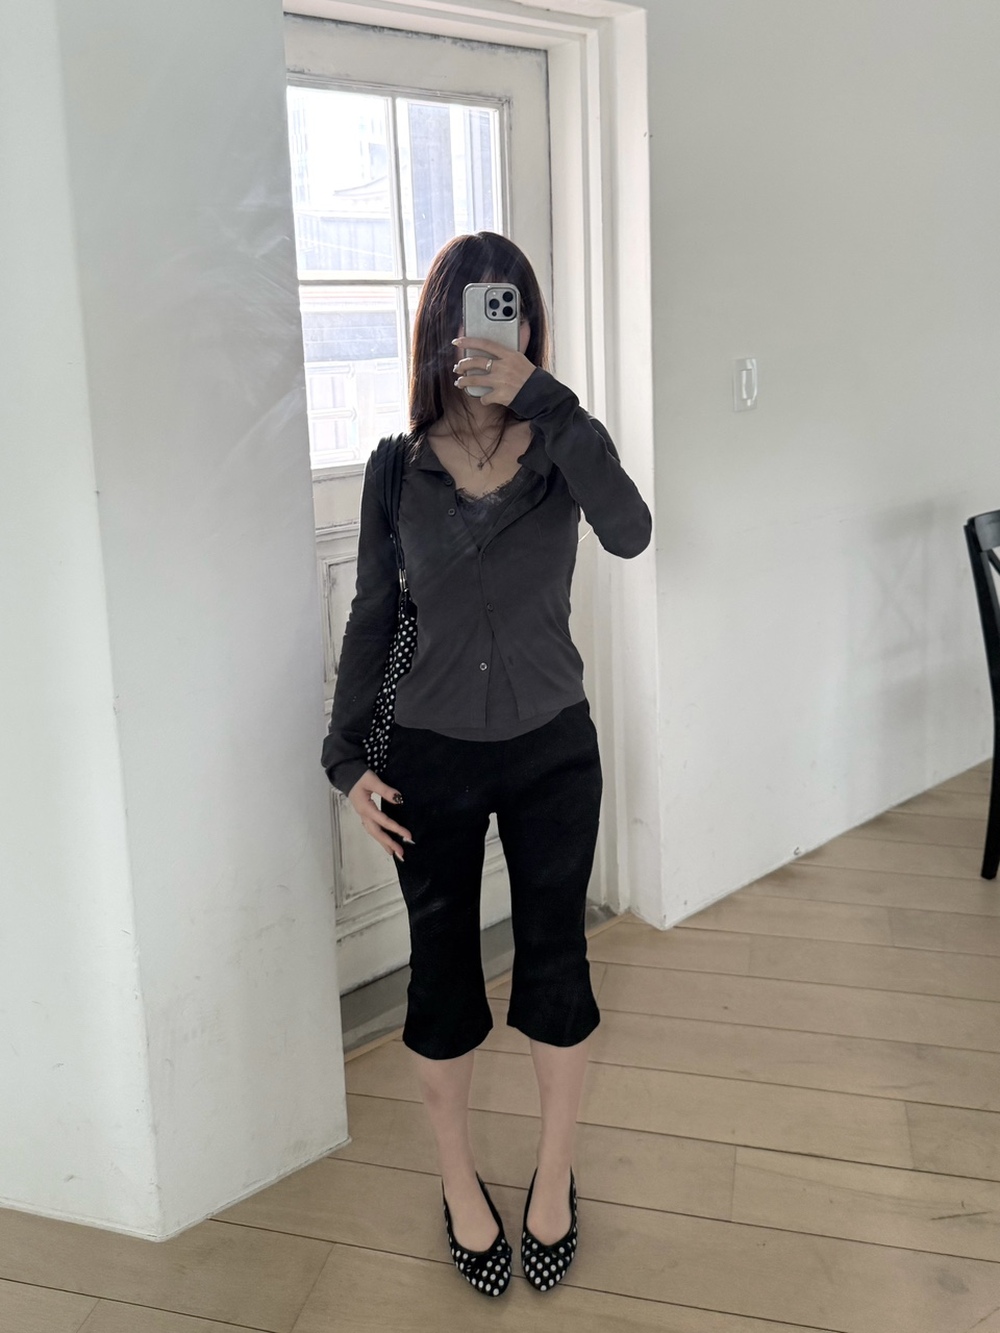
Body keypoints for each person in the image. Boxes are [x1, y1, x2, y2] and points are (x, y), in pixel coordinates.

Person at [321, 231, 652, 1297]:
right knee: (443, 977)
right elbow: (373, 615)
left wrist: (546, 399)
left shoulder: (564, 447)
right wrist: (344, 758)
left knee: (556, 963)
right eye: (469, 309)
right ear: (439, 329)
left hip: (553, 748)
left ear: (528, 325)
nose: (488, 330)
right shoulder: (396, 468)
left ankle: (554, 1177)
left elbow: (632, 532)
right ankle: (460, 1182)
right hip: (429, 758)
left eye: (506, 309)